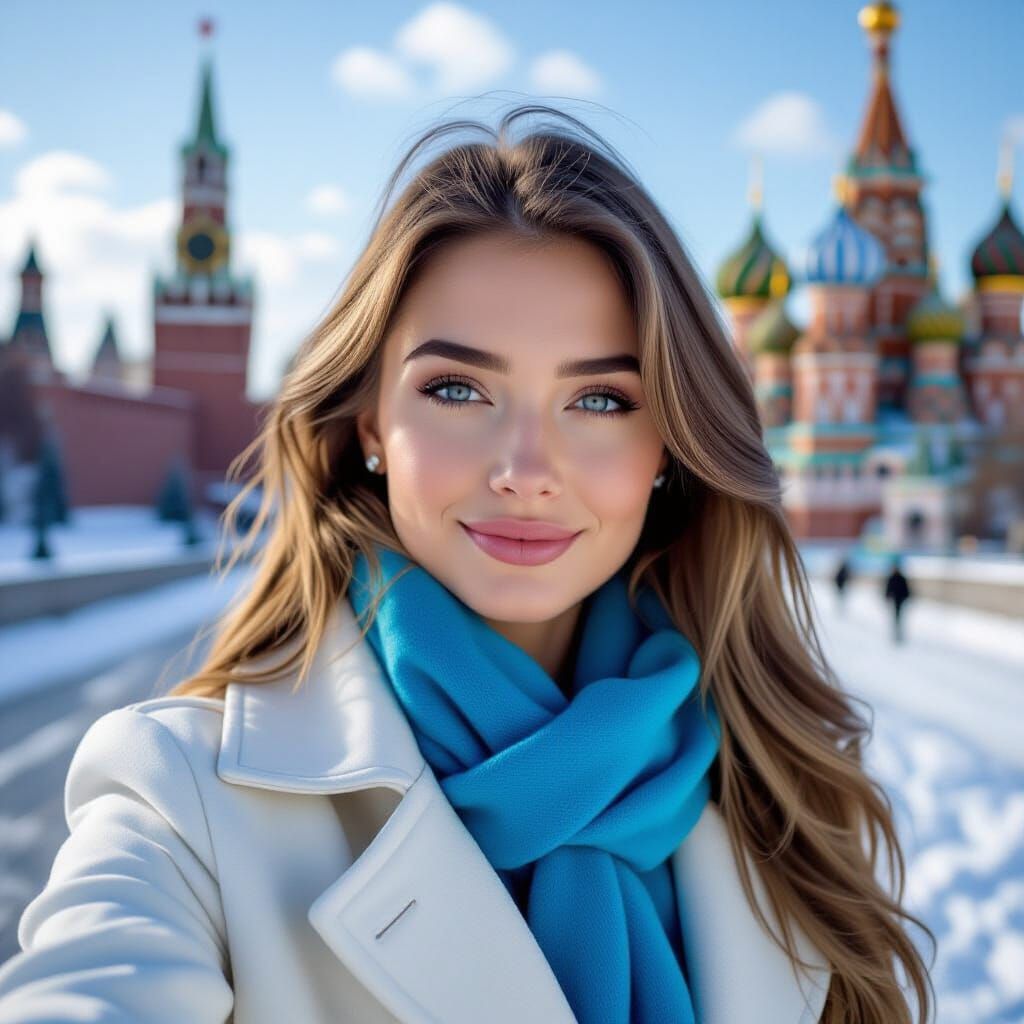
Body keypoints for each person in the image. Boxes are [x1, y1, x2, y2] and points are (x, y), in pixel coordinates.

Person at [0, 105, 935, 1024]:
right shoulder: (183, 809)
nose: (525, 471)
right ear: (371, 424)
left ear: (670, 445)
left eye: (600, 400)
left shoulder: (784, 797)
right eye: (457, 389)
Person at [884, 557, 913, 644]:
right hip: (895, 600)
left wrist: (907, 597)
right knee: (896, 617)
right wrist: (887, 596)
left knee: (899, 617)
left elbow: (906, 589)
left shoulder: (901, 578)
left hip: (900, 600)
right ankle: (896, 633)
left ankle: (899, 633)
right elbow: (888, 588)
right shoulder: (892, 578)